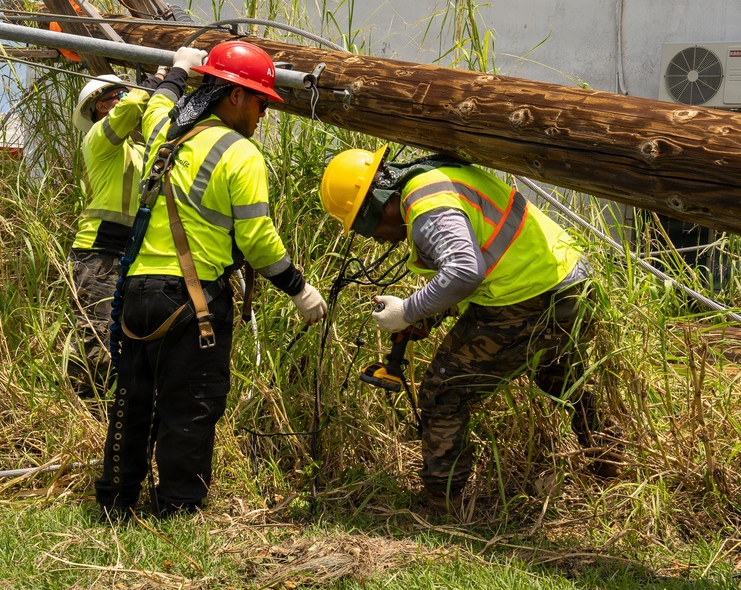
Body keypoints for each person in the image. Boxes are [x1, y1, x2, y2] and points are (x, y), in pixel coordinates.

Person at [95, 42, 327, 518]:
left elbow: (158, 104)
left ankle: (116, 503)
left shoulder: (166, 133)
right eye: (261, 102)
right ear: (236, 95)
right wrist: (299, 289)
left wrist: (177, 71)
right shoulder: (241, 153)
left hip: (137, 292)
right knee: (191, 405)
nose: (264, 114)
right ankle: (178, 509)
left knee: (132, 403)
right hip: (193, 300)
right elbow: (258, 239)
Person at [319, 146, 620, 511]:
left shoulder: (425, 205)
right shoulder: (438, 181)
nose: (375, 239)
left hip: (528, 297)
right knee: (561, 377)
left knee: (443, 391)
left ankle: (440, 502)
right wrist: (425, 316)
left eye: (363, 227)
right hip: (569, 285)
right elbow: (486, 260)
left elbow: (464, 271)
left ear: (377, 203)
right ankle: (611, 466)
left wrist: (408, 311)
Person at [67, 69, 167, 398]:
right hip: (99, 254)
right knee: (94, 339)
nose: (125, 99)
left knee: (125, 341)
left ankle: (110, 410)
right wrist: (159, 79)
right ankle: (83, 410)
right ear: (101, 107)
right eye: (118, 95)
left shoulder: (137, 150)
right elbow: (133, 106)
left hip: (129, 254)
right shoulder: (98, 138)